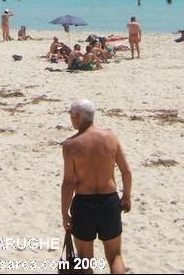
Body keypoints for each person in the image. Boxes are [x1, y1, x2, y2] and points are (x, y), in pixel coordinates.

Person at [61, 99, 131, 274]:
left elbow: (68, 183)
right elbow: (126, 171)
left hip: (84, 204)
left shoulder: (70, 145)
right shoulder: (110, 137)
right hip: (109, 201)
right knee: (115, 255)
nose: (70, 118)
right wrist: (127, 196)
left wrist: (64, 213)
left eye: (71, 114)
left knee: (85, 259)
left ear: (77, 117)